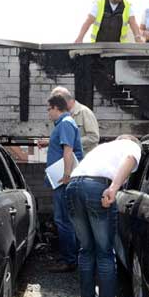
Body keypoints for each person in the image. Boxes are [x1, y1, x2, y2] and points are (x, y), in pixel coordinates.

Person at [65, 135, 142, 297]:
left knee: (86, 250)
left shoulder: (103, 148)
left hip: (73, 186)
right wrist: (114, 188)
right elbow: (130, 159)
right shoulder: (132, 145)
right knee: (105, 253)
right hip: (97, 188)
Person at [46, 94, 84, 273]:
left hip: (64, 181)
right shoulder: (64, 124)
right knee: (65, 220)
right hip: (62, 179)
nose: (48, 113)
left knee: (63, 220)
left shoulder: (66, 123)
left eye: (49, 109)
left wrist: (67, 174)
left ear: (56, 108)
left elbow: (68, 150)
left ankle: (70, 260)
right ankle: (71, 257)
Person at [74, 0, 144, 43]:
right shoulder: (98, 4)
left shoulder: (127, 6)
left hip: (118, 46)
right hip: (98, 45)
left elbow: (133, 23)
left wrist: (138, 37)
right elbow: (88, 21)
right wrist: (80, 37)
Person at [50, 87, 100, 155]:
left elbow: (94, 137)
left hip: (86, 160)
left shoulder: (84, 112)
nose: (56, 107)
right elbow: (63, 139)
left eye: (57, 103)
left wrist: (73, 143)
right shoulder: (62, 115)